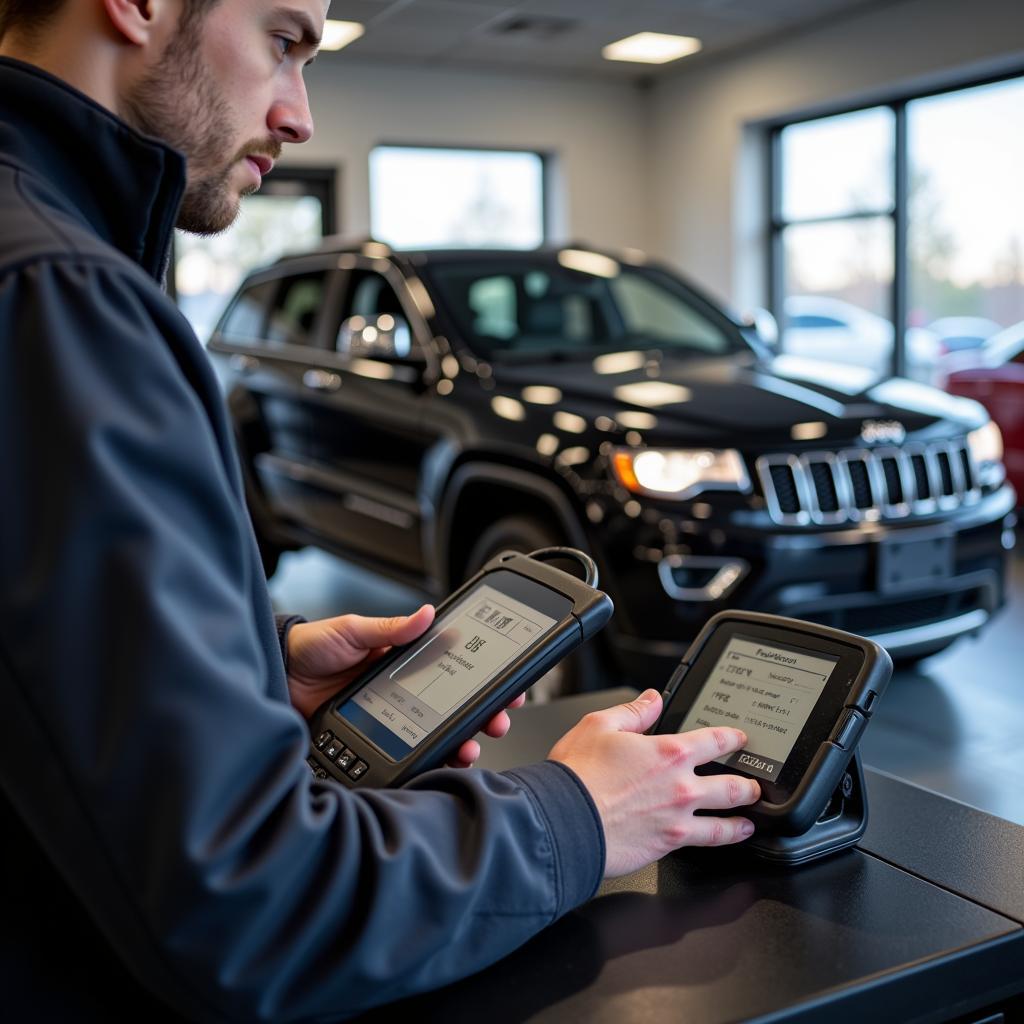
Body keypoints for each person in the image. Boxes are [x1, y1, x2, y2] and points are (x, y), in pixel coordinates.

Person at [0, 1, 761, 1020]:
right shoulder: (59, 295)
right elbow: (254, 908)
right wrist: (581, 812)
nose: (300, 114)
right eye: (282, 42)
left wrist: (249, 662)